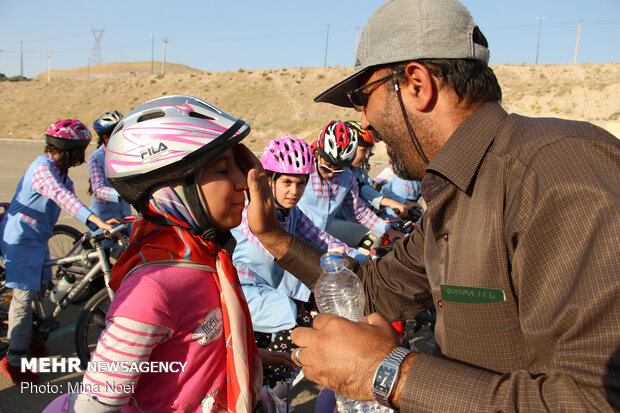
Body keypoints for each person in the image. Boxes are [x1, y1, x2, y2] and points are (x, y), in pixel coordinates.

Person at [242, 0, 620, 411]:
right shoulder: (453, 194)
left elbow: (596, 399)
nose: (364, 122)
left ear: (417, 85)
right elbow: (373, 290)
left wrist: (389, 374)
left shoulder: (556, 170)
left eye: (362, 96)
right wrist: (274, 237)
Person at [63, 95, 287, 412]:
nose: (242, 183)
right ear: (173, 189)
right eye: (224, 170)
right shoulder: (153, 287)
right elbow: (97, 403)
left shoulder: (205, 256)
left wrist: (248, 355)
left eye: (239, 167)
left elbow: (191, 348)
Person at [231, 136, 366, 385]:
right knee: (297, 322)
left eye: (301, 183)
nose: (294, 191)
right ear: (269, 179)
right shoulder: (248, 211)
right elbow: (271, 245)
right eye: (287, 182)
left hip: (268, 295)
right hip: (240, 295)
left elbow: (320, 238)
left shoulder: (291, 212)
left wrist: (359, 257)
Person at [0, 119, 117, 385]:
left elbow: (68, 195)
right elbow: (60, 196)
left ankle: (33, 337)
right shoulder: (43, 170)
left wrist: (96, 229)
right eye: (81, 150)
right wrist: (94, 220)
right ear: (70, 150)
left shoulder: (60, 171)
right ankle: (13, 359)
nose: (83, 156)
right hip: (19, 240)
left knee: (41, 290)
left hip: (37, 238)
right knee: (22, 298)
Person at [298, 120, 403, 248]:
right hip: (298, 235)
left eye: (338, 170)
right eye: (327, 167)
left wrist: (388, 231)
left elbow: (360, 211)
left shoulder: (347, 176)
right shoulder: (303, 170)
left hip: (323, 235)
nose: (331, 174)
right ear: (316, 154)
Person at [344, 121, 413, 219]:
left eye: (369, 152)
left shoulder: (357, 170)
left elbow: (374, 186)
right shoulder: (341, 173)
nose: (367, 156)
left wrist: (403, 202)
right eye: (364, 150)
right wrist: (390, 203)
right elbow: (361, 189)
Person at [87, 110, 132, 247]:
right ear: (106, 138)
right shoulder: (96, 158)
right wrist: (121, 193)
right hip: (104, 216)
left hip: (125, 215)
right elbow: (98, 189)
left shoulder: (126, 153)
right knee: (103, 260)